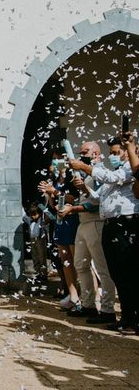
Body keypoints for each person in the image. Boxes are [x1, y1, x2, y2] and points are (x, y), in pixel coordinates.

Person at [69, 136, 139, 333]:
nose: (113, 156)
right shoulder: (117, 170)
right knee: (117, 272)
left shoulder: (128, 169)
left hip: (125, 222)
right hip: (111, 223)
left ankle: (132, 317)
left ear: (127, 152)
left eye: (117, 152)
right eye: (112, 153)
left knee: (127, 272)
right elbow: (100, 196)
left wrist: (83, 167)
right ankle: (126, 317)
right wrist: (86, 189)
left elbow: (112, 179)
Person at [59, 141, 115, 323]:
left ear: (96, 154)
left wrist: (73, 208)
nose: (81, 154)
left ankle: (107, 309)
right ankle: (88, 304)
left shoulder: (101, 173)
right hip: (83, 224)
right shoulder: (86, 173)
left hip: (95, 222)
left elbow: (97, 202)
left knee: (101, 267)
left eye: (85, 152)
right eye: (80, 152)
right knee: (80, 264)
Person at [38, 150, 81, 311]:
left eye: (58, 158)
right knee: (65, 260)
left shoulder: (72, 176)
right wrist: (48, 194)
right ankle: (72, 295)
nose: (55, 162)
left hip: (73, 220)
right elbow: (52, 204)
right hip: (60, 222)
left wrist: (54, 191)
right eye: (53, 159)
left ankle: (87, 295)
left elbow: (72, 197)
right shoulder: (56, 179)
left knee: (77, 260)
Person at [22, 203, 48, 282]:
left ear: (39, 214)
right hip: (32, 239)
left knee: (41, 256)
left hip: (40, 239)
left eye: (35, 214)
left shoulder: (42, 220)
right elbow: (23, 216)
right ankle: (38, 273)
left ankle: (44, 274)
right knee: (35, 257)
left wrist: (41, 206)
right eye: (31, 215)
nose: (33, 216)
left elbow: (48, 213)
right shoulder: (30, 220)